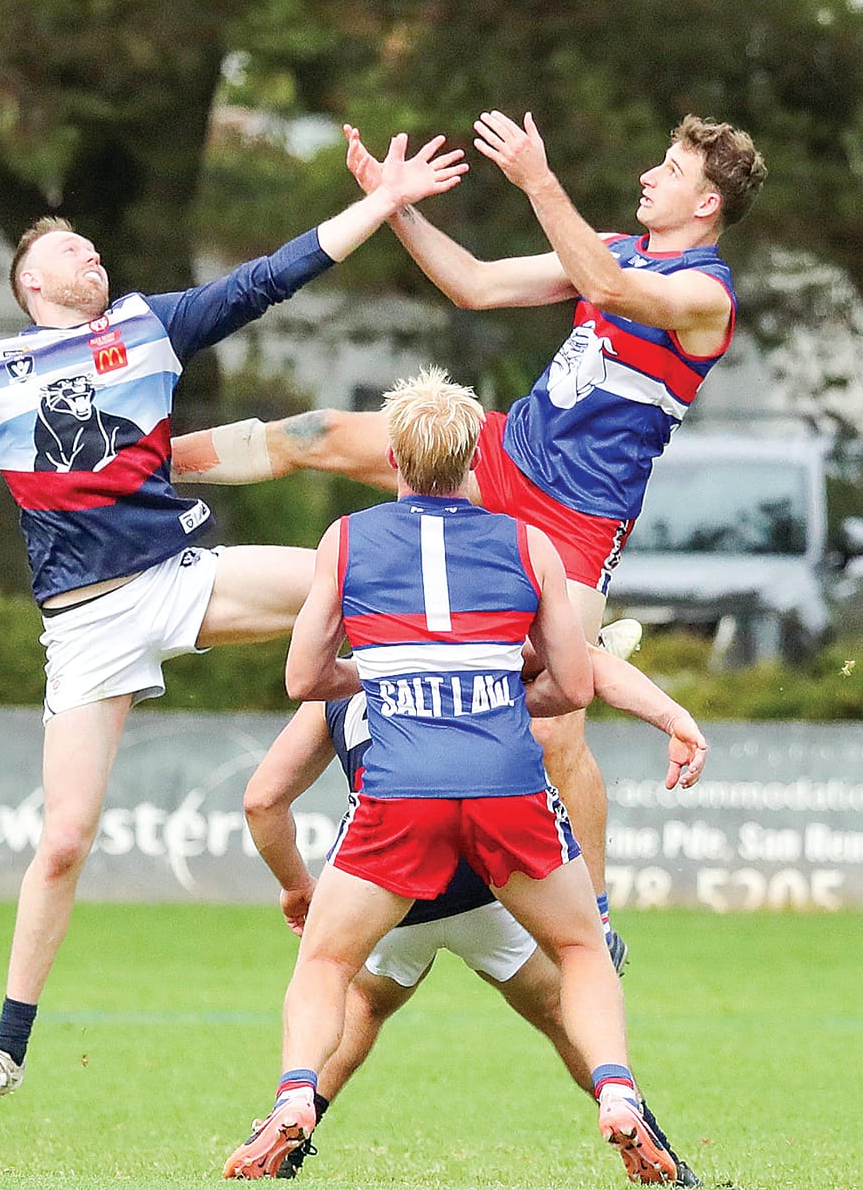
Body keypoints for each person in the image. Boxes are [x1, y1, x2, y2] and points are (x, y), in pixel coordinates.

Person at [0, 133, 468, 1121]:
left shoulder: (150, 326)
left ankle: (516, 671)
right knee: (62, 840)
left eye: (93, 249)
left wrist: (384, 201)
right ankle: (4, 1050)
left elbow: (274, 274)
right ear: (28, 283)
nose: (88, 256)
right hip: (86, 625)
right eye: (67, 250)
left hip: (177, 576)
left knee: (349, 570)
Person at [173, 112, 767, 971]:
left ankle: (592, 921)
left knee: (561, 722)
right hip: (502, 454)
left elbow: (604, 289)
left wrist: (538, 179)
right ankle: (146, 469)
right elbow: (477, 284)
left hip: (576, 518)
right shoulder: (614, 247)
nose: (650, 174)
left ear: (706, 201)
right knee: (316, 432)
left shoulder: (706, 295)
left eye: (670, 168)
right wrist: (393, 204)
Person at [223, 370, 680, 1183]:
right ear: (475, 456)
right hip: (506, 783)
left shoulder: (349, 540)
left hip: (403, 794)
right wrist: (505, 687)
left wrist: (387, 676)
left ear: (394, 457)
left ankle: (296, 1095)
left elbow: (303, 676)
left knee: (327, 967)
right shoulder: (527, 542)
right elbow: (576, 684)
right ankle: (617, 1093)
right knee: (581, 947)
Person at [241, 645, 709, 1184]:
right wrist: (672, 717)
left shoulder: (351, 666)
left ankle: (297, 1103)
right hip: (490, 880)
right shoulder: (486, 632)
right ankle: (632, 1112)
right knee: (571, 987)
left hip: (393, 869)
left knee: (358, 998)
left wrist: (296, 886)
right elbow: (588, 673)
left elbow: (262, 801)